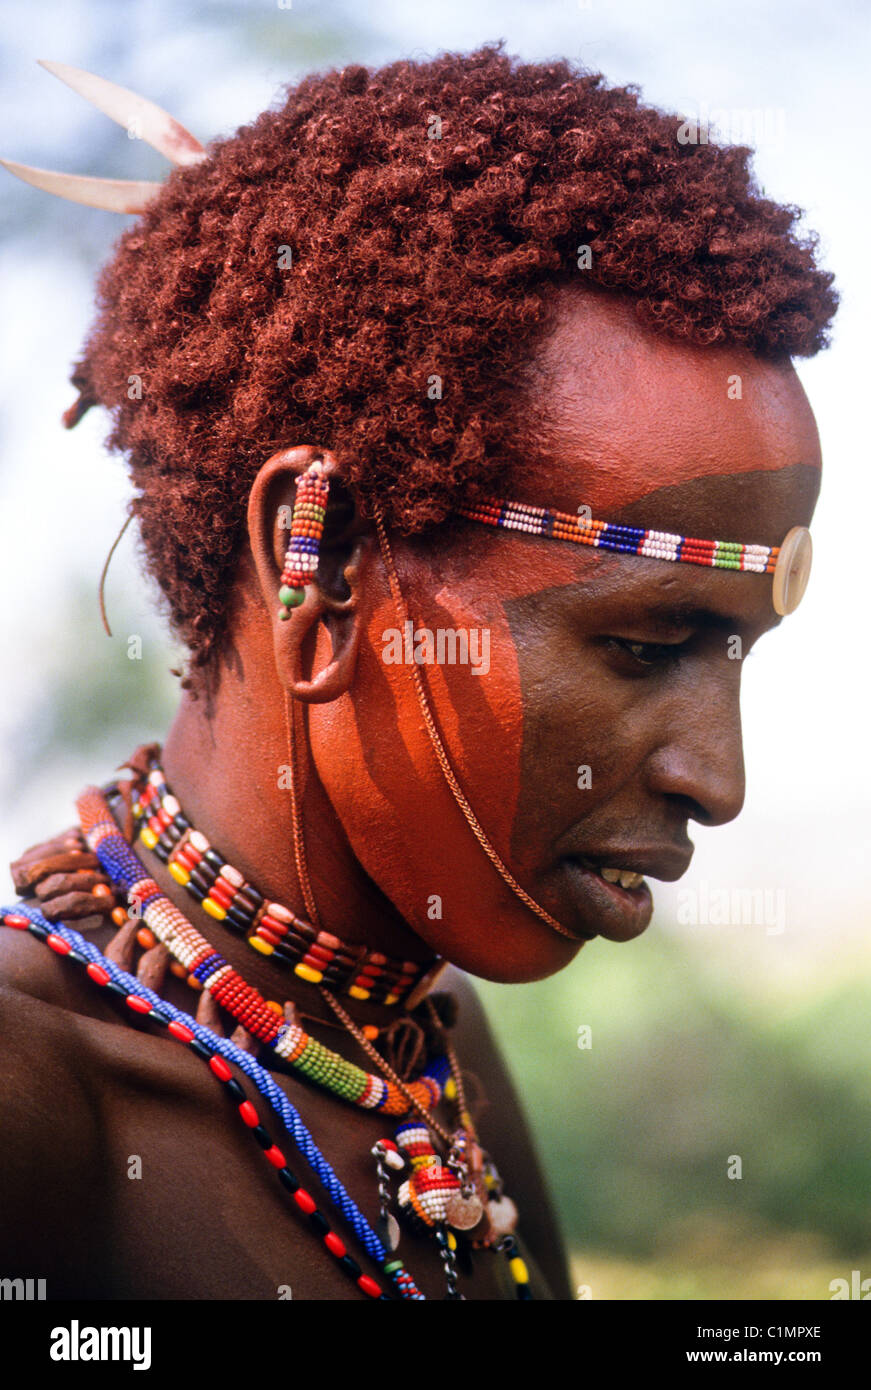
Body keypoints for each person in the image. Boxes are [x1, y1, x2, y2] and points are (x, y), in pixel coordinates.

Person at [0, 41, 836, 1301]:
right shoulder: (36, 1101)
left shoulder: (420, 1051)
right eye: (645, 645)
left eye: (734, 657)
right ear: (320, 565)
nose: (715, 779)